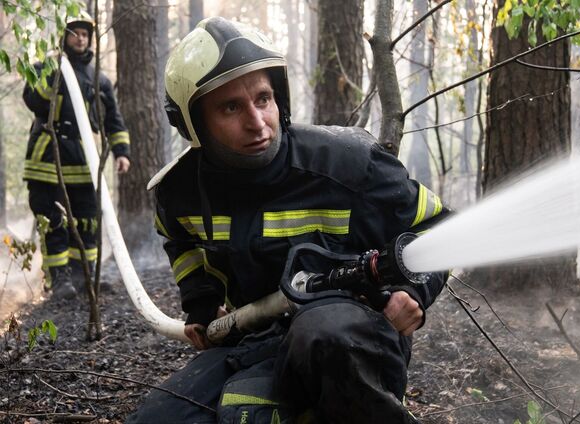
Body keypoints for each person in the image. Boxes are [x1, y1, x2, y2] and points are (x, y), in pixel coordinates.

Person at [128, 17, 449, 424]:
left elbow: (437, 224)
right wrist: (201, 305)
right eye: (231, 107)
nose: (258, 121)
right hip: (256, 337)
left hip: (350, 334)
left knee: (323, 334)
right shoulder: (182, 191)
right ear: (194, 123)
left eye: (263, 98)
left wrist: (413, 290)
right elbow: (181, 242)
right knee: (158, 419)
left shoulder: (348, 165)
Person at [23, 11, 131, 300]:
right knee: (53, 219)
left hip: (84, 161)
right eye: (75, 33)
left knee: (88, 219)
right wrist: (52, 76)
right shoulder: (46, 67)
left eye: (85, 34)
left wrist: (122, 151)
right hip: (49, 158)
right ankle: (59, 280)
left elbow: (113, 119)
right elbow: (31, 100)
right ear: (64, 36)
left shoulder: (99, 78)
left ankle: (84, 276)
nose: (81, 38)